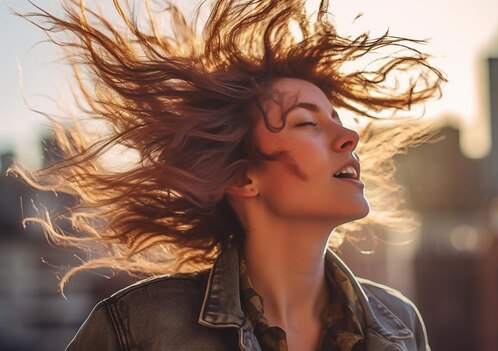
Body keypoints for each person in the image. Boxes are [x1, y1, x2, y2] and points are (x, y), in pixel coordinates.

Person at [15, 0, 444, 350]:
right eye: (307, 123)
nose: (349, 136)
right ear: (242, 178)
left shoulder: (400, 322)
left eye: (339, 120)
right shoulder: (141, 326)